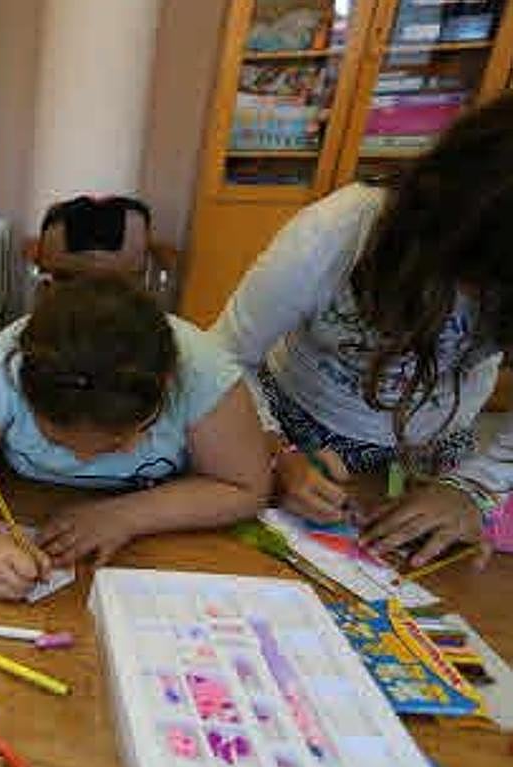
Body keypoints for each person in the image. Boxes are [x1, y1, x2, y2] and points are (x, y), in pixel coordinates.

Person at [212, 92, 513, 567]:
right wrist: (274, 451)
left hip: (434, 451)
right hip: (291, 422)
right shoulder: (340, 229)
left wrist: (470, 489)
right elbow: (222, 357)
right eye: (475, 275)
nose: (476, 299)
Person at [0, 275, 270, 601]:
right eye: (57, 442)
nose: (84, 460)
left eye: (115, 445)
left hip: (162, 554)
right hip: (27, 505)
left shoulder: (203, 372)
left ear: (167, 388)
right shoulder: (6, 367)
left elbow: (246, 487)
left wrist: (127, 516)